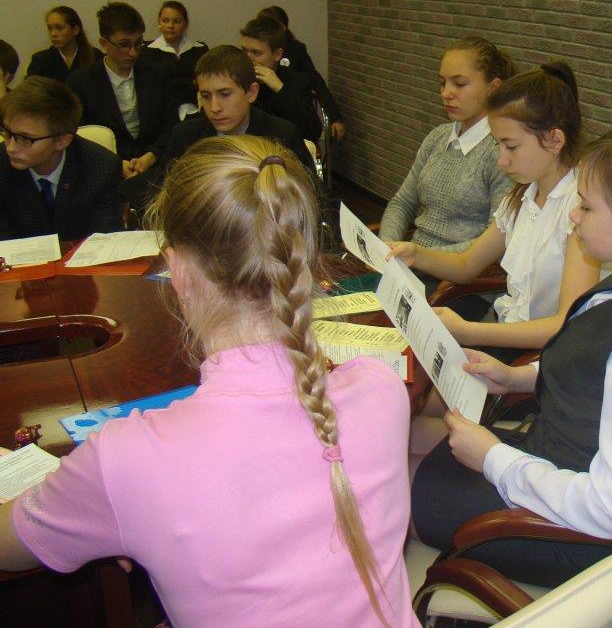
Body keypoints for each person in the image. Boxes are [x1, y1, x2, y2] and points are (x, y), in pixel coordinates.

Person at [0, 135, 418, 628]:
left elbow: (9, 545)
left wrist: (116, 510)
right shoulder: (381, 388)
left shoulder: (126, 460)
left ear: (176, 270)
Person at [409, 122, 612, 588]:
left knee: (376, 481)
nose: (574, 217)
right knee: (396, 435)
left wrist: (494, 458)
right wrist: (519, 378)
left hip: (569, 533)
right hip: (551, 467)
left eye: (586, 206)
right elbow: (603, 367)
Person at [389, 61, 599, 355]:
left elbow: (564, 324)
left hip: (543, 353)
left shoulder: (581, 210)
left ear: (554, 140)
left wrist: (468, 331)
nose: (502, 160)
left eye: (510, 146)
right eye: (498, 145)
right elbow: (466, 264)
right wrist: (416, 254)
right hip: (508, 330)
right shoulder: (523, 195)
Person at [379, 37, 515, 255]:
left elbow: (495, 240)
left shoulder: (502, 152)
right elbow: (402, 203)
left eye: (459, 84)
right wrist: (386, 245)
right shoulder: (438, 137)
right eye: (442, 83)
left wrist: (421, 257)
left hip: (456, 271)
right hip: (410, 260)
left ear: (493, 88)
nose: (445, 93)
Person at [66, 2, 177, 193]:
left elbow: (171, 124)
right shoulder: (81, 82)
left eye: (138, 43)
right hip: (103, 167)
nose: (133, 52)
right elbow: (79, 135)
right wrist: (116, 162)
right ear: (104, 44)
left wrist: (152, 154)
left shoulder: (157, 74)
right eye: (124, 45)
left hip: (155, 164)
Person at [162, 45, 316, 177]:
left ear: (251, 93)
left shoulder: (282, 136)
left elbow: (311, 195)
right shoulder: (185, 136)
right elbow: (162, 192)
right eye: (206, 96)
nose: (214, 108)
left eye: (224, 94)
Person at [0, 76, 121, 241]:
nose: (11, 148)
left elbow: (105, 239)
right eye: (7, 133)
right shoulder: (2, 165)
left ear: (62, 141)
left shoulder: (102, 168)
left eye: (25, 138)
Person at [258, 5, 345, 141]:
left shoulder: (295, 50)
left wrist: (335, 117)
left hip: (293, 115)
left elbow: (316, 81)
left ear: (283, 28)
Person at [239, 15, 321, 142]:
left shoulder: (297, 81)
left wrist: (281, 90)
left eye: (256, 53)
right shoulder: (237, 79)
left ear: (277, 54)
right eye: (244, 51)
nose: (248, 59)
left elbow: (312, 132)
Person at [141, 0, 209, 111]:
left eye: (177, 21)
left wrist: (172, 83)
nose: (170, 26)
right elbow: (154, 86)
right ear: (159, 23)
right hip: (163, 112)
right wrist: (191, 82)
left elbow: (206, 83)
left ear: (186, 24)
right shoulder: (148, 51)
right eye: (165, 21)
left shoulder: (200, 49)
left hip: (197, 111)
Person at [26, 6, 100, 84]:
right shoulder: (40, 60)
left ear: (75, 30)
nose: (53, 34)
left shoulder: (95, 56)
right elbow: (29, 89)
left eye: (59, 28)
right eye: (50, 28)